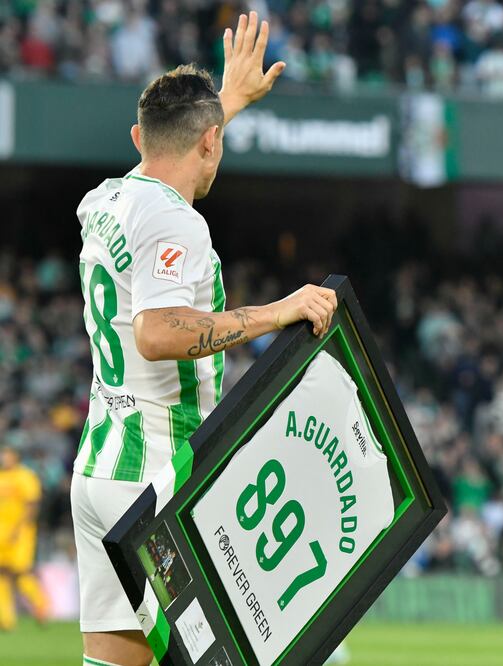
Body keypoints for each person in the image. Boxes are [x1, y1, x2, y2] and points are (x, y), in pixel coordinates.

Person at [71, 13, 338, 666]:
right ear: (212, 143)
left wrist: (230, 102)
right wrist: (278, 311)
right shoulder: (178, 223)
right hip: (160, 481)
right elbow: (159, 334)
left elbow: (173, 162)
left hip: (102, 468)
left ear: (138, 136)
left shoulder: (103, 200)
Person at [0, 445, 49, 630]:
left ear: (16, 456)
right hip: (1, 532)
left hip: (20, 532)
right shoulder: (1, 477)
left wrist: (18, 529)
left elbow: (31, 505)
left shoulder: (25, 476)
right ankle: (6, 620)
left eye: (7, 454)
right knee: (2, 573)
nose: (4, 457)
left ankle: (41, 607)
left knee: (21, 572)